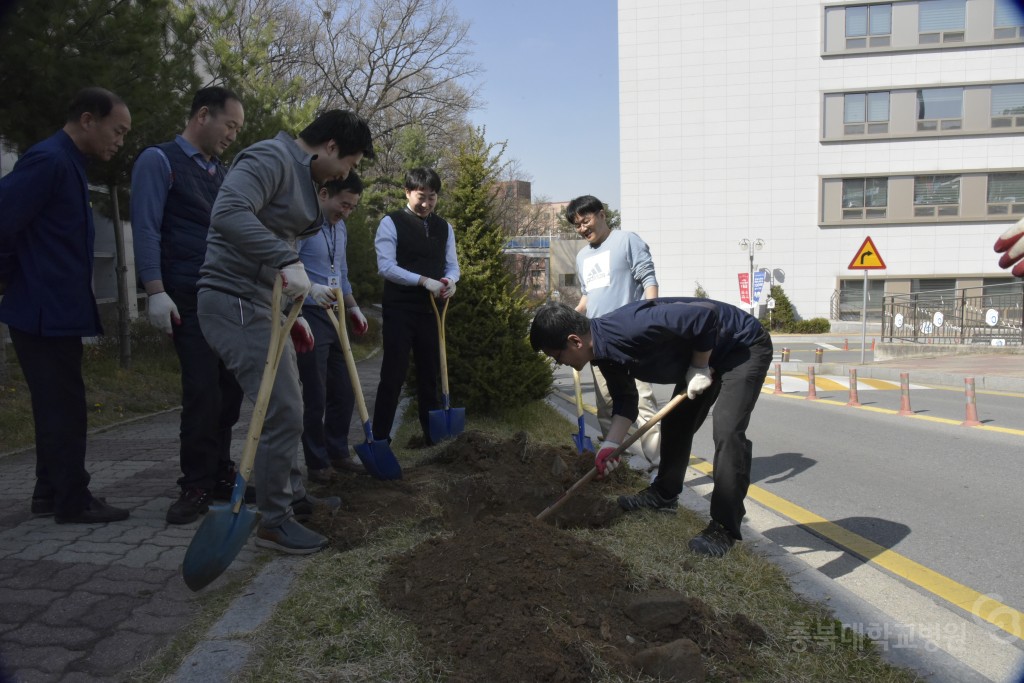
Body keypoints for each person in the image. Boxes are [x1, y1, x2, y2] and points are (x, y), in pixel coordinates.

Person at [198, 109, 374, 555]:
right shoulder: (269, 158)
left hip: (267, 303)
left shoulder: (303, 178)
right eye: (349, 163)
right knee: (283, 410)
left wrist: (301, 297)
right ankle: (275, 523)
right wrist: (285, 260)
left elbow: (284, 244)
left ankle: (292, 495)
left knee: (291, 404)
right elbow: (228, 212)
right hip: (233, 299)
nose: (346, 173)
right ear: (330, 147)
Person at [529, 299, 773, 557]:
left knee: (727, 430)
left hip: (740, 346)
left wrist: (700, 366)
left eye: (557, 357)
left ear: (575, 341)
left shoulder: (630, 327)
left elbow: (704, 318)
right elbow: (625, 402)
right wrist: (610, 447)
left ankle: (724, 527)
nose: (560, 363)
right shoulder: (603, 354)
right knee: (676, 421)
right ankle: (664, 496)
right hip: (706, 352)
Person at [0, 87, 132, 524]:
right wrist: (14, 280)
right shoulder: (50, 160)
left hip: (55, 307)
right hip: (41, 308)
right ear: (88, 119)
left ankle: (48, 492)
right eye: (117, 130)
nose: (120, 141)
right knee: (65, 406)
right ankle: (72, 501)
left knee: (55, 403)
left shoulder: (70, 163)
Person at [130, 86, 247, 525]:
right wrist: (154, 289)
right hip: (187, 296)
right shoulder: (158, 161)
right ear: (203, 115)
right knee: (202, 391)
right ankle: (195, 482)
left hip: (229, 298)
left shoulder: (224, 172)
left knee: (229, 392)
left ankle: (220, 471)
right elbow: (146, 227)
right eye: (230, 125)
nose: (233, 135)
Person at [568, 195, 661, 472]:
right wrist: (571, 320)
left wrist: (651, 317)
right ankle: (615, 461)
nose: (583, 228)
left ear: (602, 214)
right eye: (577, 225)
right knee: (607, 403)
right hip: (597, 342)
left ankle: (658, 464)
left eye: (586, 220)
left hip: (630, 337)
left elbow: (648, 279)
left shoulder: (626, 240)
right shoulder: (582, 256)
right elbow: (587, 298)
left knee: (643, 402)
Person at [372, 167, 459, 446]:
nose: (426, 203)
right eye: (421, 196)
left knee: (430, 374)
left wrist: (450, 281)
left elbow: (452, 264)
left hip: (431, 311)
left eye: (432, 197)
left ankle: (433, 438)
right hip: (399, 308)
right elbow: (386, 267)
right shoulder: (391, 222)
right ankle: (381, 438)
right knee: (393, 375)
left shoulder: (444, 227)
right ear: (407, 192)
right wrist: (423, 281)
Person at [296, 171, 368, 483]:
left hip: (336, 313)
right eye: (343, 204)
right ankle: (316, 461)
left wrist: (353, 307)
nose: (346, 212)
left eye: (352, 207)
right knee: (315, 391)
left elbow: (342, 272)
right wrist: (310, 289)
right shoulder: (302, 225)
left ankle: (338, 451)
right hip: (310, 313)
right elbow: (287, 268)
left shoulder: (342, 230)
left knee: (345, 388)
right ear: (324, 194)